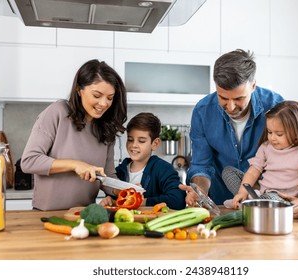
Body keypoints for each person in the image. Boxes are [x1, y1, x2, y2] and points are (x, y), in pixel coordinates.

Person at [183, 49, 288, 203]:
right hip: (221, 203)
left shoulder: (277, 107)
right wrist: (200, 192)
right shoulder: (203, 111)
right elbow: (201, 165)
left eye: (239, 98)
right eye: (223, 98)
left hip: (266, 205)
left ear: (253, 86)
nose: (231, 107)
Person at [21, 59, 127, 211]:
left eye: (110, 98)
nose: (104, 103)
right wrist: (75, 165)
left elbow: (107, 176)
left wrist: (123, 190)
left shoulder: (106, 128)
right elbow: (29, 161)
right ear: (79, 90)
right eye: (97, 95)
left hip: (84, 217)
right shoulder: (57, 112)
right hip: (45, 215)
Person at [226, 100, 298, 226]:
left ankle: (251, 204)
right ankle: (250, 201)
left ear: (297, 132)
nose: (272, 138)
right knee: (228, 172)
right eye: (269, 132)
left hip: (281, 199)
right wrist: (242, 191)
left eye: (279, 134)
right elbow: (253, 172)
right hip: (260, 191)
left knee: (270, 198)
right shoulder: (266, 147)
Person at [100, 112, 186, 210]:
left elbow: (178, 200)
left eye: (141, 141)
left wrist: (141, 201)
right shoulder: (119, 171)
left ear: (155, 144)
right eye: (130, 139)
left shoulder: (163, 169)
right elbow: (113, 198)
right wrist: (109, 200)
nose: (134, 145)